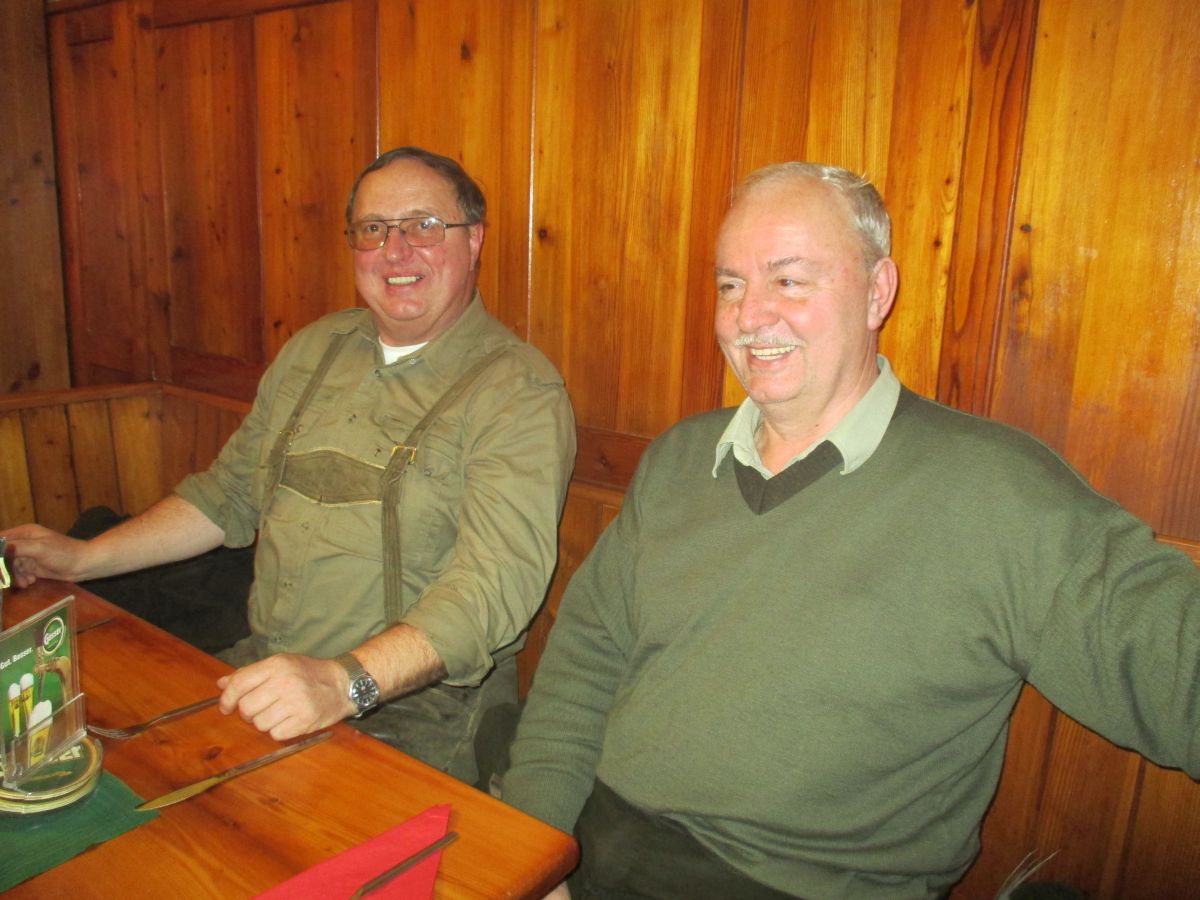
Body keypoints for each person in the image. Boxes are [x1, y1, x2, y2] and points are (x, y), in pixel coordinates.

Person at [501, 162, 1200, 898]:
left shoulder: (998, 492)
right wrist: (531, 854)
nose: (749, 316)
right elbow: (583, 666)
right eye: (731, 285)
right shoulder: (680, 458)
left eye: (789, 280)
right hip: (589, 847)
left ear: (877, 292)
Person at [2, 147, 576, 786]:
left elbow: (494, 586)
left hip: (417, 711)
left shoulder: (518, 391)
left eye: (424, 226)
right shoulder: (315, 349)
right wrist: (83, 559)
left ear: (473, 241)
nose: (396, 250)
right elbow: (226, 496)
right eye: (374, 229)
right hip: (267, 668)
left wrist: (342, 683)